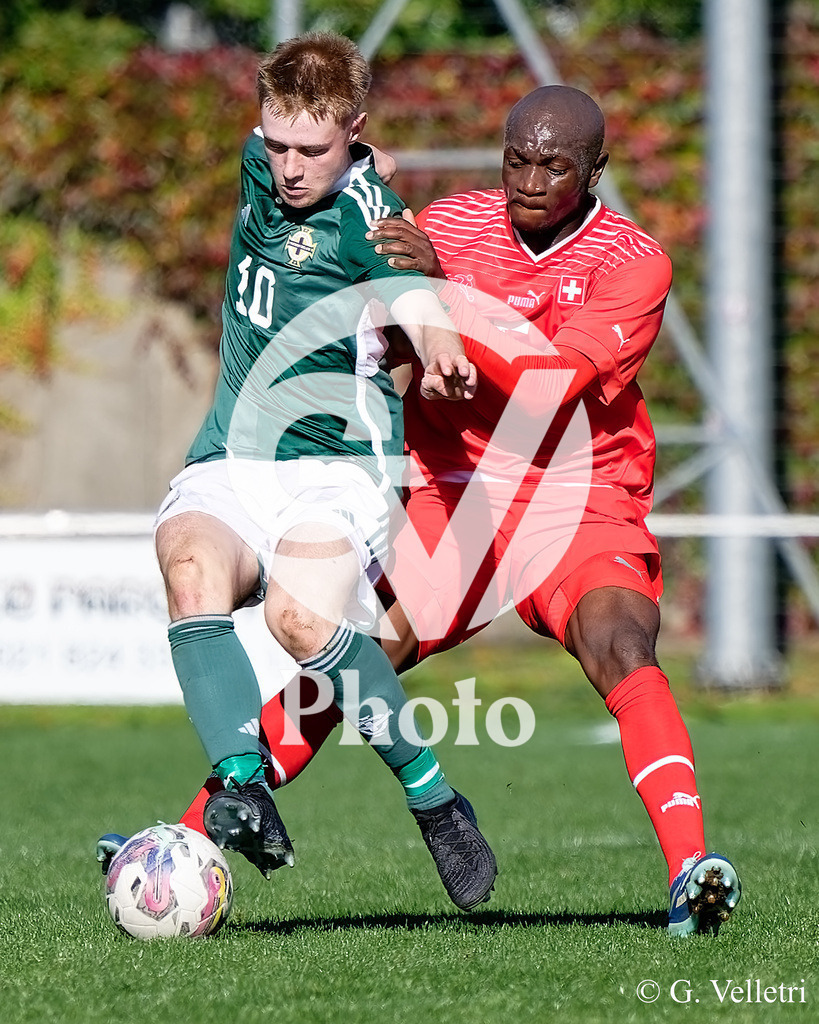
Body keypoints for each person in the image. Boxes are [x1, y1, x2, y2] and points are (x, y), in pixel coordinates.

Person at [124, 83, 743, 936]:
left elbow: (550, 386)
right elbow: (369, 307)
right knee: (346, 660)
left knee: (618, 642)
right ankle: (185, 840)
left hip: (578, 493)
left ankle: (690, 871)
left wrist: (442, 298)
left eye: (554, 166)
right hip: (452, 490)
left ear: (594, 170)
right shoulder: (445, 224)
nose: (529, 179)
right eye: (516, 158)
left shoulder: (631, 262)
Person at [98, 32, 498, 915]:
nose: (286, 167)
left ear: (351, 132)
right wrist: (343, 152)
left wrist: (438, 351)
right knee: (190, 566)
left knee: (297, 620)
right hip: (235, 455)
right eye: (275, 143)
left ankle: (434, 797)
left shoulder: (368, 215)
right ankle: (241, 784)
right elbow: (322, 149)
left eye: (310, 150)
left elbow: (417, 298)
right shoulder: (265, 161)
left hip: (338, 470)